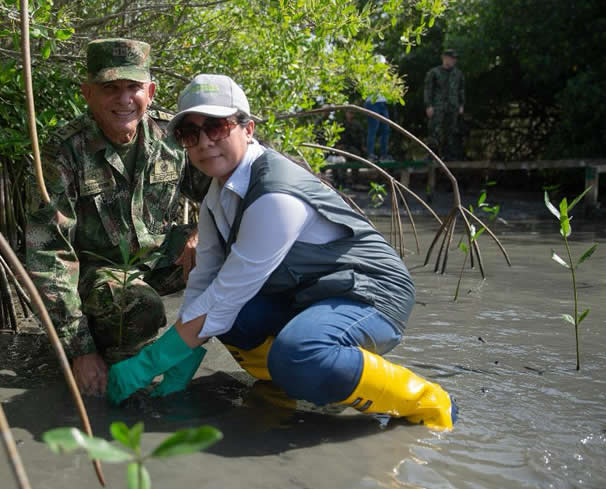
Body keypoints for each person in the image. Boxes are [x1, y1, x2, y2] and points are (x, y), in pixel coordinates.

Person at [106, 74, 456, 431]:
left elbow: (225, 296)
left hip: (372, 295)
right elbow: (204, 281)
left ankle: (427, 402)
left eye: (217, 126)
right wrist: (182, 362)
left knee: (299, 351)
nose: (205, 142)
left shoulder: (275, 195)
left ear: (248, 128)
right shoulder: (215, 196)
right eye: (190, 134)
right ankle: (284, 382)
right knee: (233, 321)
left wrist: (149, 362)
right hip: (311, 294)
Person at [25, 39, 209, 396]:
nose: (124, 100)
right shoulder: (63, 151)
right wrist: (81, 352)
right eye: (110, 89)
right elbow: (49, 253)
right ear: (87, 93)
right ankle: (115, 352)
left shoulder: (172, 136)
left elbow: (224, 189)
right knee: (136, 306)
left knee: (235, 252)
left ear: (151, 91)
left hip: (160, 259)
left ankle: (210, 349)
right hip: (100, 275)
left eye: (133, 88)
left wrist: (204, 231)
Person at [424, 49, 465, 160]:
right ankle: (432, 155)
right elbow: (428, 90)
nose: (453, 61)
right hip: (438, 106)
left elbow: (461, 89)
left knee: (451, 131)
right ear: (445, 58)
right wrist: (428, 105)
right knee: (435, 130)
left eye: (454, 59)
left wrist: (461, 104)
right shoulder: (434, 73)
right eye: (451, 58)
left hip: (453, 106)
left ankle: (449, 155)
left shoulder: (458, 74)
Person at [364, 93, 393, 162]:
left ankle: (384, 156)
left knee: (386, 130)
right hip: (372, 102)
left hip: (383, 103)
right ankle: (370, 155)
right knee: (373, 129)